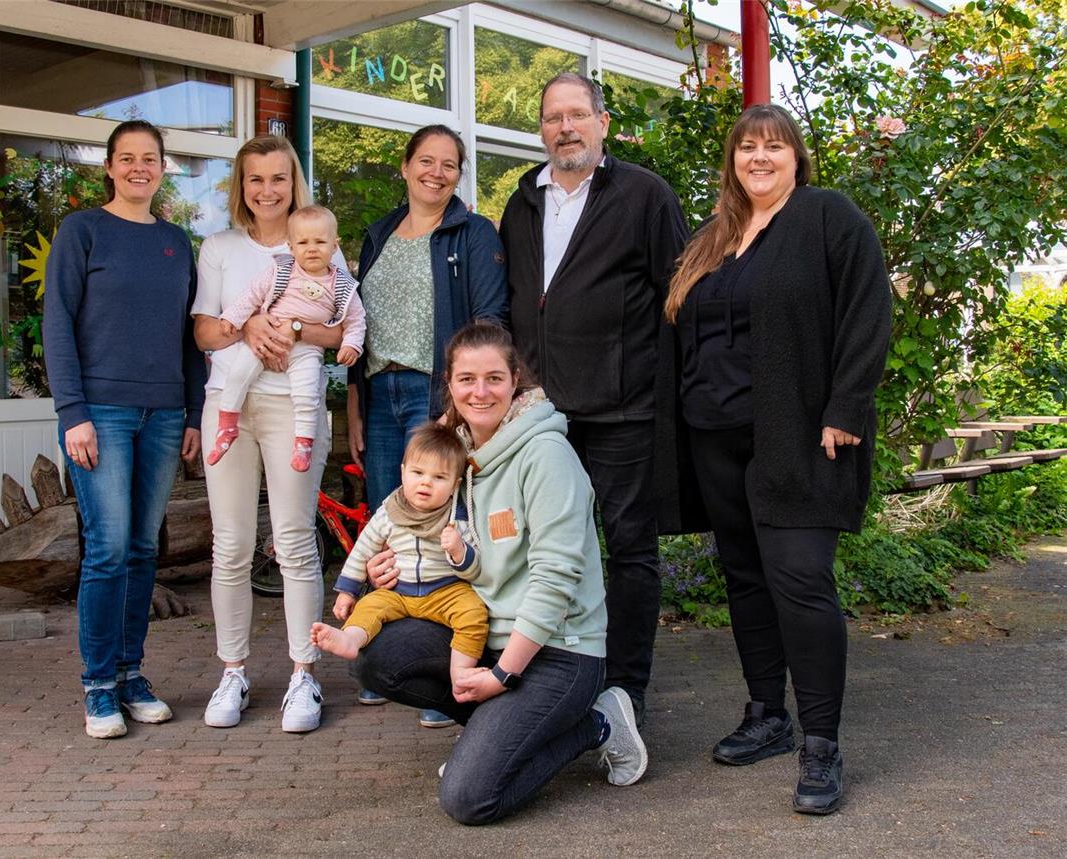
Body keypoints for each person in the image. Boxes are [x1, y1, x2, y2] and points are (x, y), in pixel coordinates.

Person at [666, 104, 892, 814]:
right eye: (746, 147)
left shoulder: (827, 217)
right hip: (713, 435)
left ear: (797, 158)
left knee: (800, 580)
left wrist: (846, 407)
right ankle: (767, 713)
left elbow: (868, 308)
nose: (759, 157)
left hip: (796, 435)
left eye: (773, 146)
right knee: (745, 578)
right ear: (732, 161)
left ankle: (821, 743)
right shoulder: (714, 236)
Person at [354, 321, 648, 825]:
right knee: (376, 656)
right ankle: (498, 738)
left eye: (494, 378)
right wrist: (387, 568)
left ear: (516, 380)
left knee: (469, 799)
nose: (480, 392)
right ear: (450, 384)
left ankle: (597, 723)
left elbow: (555, 579)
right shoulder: (452, 454)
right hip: (483, 634)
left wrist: (502, 675)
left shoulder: (546, 455)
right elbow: (419, 535)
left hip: (558, 652)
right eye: (467, 379)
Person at [499, 72, 688, 726]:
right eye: (554, 117)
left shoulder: (644, 195)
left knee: (630, 551)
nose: (566, 128)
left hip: (623, 411)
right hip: (542, 415)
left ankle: (626, 689)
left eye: (577, 114)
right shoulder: (523, 201)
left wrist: (670, 391)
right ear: (541, 129)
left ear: (603, 123)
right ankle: (554, 678)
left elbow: (680, 297)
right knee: (544, 551)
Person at [43, 119, 204, 739]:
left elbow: (189, 337)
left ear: (163, 167)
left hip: (163, 415)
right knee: (107, 550)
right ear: (109, 167)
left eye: (150, 158)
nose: (140, 167)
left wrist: (193, 413)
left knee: (142, 550)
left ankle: (131, 674)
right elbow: (58, 323)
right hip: (101, 414)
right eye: (127, 158)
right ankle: (98, 685)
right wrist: (72, 413)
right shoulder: (82, 231)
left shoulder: (176, 241)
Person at [347, 123, 508, 728]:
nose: (436, 173)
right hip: (380, 389)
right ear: (405, 166)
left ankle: (443, 669)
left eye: (449, 164)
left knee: (441, 519)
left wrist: (457, 401)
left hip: (433, 391)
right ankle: (392, 658)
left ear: (459, 175)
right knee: (388, 522)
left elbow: (490, 320)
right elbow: (358, 323)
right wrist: (355, 405)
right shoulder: (379, 235)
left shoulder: (473, 233)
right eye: (426, 161)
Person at [192, 135, 347, 733]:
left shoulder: (318, 241)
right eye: (255, 179)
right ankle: (232, 672)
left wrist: (293, 330)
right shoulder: (220, 247)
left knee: (294, 542)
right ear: (242, 186)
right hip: (228, 406)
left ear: (293, 182)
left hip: (294, 410)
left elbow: (343, 331)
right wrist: (249, 325)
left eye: (278, 178)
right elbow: (205, 333)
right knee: (231, 546)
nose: (267, 190)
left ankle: (303, 675)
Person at [311, 423, 487, 686]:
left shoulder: (457, 518)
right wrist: (348, 591)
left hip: (446, 590)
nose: (426, 482)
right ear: (403, 472)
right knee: (368, 606)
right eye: (418, 472)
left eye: (439, 477)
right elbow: (363, 549)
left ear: (455, 484)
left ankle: (460, 671)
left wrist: (460, 551)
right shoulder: (390, 512)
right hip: (398, 592)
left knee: (473, 613)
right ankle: (350, 639)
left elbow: (476, 569)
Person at [207, 205, 365, 472]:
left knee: (306, 392)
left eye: (320, 242)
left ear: (334, 246)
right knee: (238, 374)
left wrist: (352, 344)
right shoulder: (281, 271)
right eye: (303, 243)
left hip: (307, 348)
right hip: (267, 338)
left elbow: (356, 320)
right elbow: (251, 295)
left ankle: (303, 443)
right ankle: (227, 425)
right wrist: (232, 318)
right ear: (291, 247)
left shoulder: (342, 285)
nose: (311, 249)